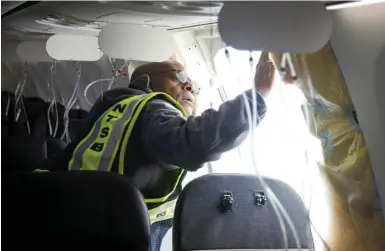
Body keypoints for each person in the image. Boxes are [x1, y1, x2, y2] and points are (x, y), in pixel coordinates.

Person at [44, 52, 276, 251]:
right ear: (146, 82)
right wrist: (257, 96)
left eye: (194, 86)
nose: (189, 87)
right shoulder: (153, 107)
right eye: (179, 77)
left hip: (67, 226)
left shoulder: (117, 109)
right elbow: (193, 142)